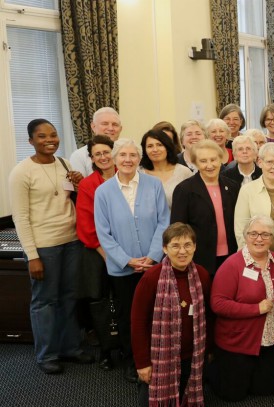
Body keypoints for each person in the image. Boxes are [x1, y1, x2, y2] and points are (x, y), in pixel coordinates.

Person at [10, 119, 91, 374]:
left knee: (69, 297)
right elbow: (20, 217)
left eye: (53, 135)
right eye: (42, 136)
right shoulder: (21, 172)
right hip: (44, 247)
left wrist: (79, 184)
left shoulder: (64, 164)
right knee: (45, 301)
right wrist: (32, 255)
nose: (49, 140)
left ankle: (71, 348)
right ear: (30, 141)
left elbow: (75, 199)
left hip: (71, 242)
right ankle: (47, 354)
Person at [94, 138, 171, 382]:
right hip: (122, 268)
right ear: (115, 159)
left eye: (133, 155)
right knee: (129, 317)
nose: (128, 160)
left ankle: (158, 358)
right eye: (122, 155)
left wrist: (153, 256)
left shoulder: (154, 184)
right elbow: (103, 233)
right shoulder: (103, 191)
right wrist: (127, 260)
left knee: (156, 314)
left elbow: (163, 221)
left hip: (153, 265)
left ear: (139, 159)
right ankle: (133, 361)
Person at [131, 223, 210, 407]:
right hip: (159, 358)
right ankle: (144, 380)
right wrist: (142, 363)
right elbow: (137, 322)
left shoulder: (202, 275)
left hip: (190, 357)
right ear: (165, 249)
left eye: (187, 245)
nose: (182, 251)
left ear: (195, 247)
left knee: (191, 397)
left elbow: (209, 316)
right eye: (175, 245)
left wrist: (208, 350)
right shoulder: (152, 278)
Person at [211, 216, 274, 404]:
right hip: (239, 342)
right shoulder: (232, 265)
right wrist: (256, 309)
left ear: (272, 238)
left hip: (269, 341)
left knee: (265, 390)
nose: (259, 239)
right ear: (245, 236)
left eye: (265, 234)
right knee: (233, 396)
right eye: (253, 234)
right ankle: (213, 369)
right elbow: (218, 303)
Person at [75, 135, 118, 370]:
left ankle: (126, 345)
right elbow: (86, 226)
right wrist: (108, 255)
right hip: (98, 252)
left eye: (106, 152)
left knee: (122, 301)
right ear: (92, 158)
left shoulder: (128, 177)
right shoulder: (88, 184)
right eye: (97, 154)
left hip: (125, 251)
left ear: (114, 152)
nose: (103, 157)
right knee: (101, 302)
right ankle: (106, 350)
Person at [170, 140, 240, 275]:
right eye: (203, 161)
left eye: (213, 159)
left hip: (231, 256)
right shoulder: (184, 189)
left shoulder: (232, 186)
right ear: (195, 163)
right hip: (199, 258)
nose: (209, 165)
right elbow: (177, 228)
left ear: (221, 160)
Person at [140, 128, 193, 208]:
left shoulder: (184, 172)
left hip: (177, 220)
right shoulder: (138, 173)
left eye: (159, 145)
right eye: (150, 146)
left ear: (167, 147)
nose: (155, 150)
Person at [69, 107, 123, 176]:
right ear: (93, 126)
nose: (110, 128)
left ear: (121, 129)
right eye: (105, 124)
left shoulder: (129, 152)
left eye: (115, 124)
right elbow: (80, 185)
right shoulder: (79, 156)